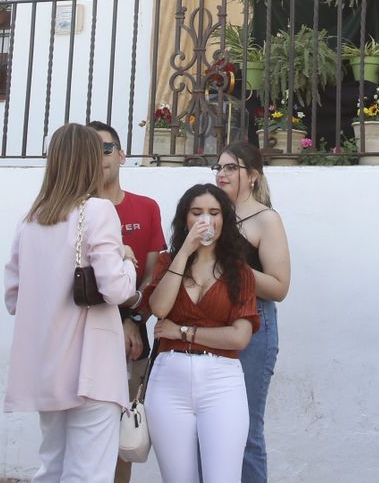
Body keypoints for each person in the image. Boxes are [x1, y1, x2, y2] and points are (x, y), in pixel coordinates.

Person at [5, 123, 138, 483]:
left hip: (46, 365)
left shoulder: (29, 220)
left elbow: (13, 297)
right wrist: (128, 261)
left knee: (52, 466)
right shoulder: (98, 210)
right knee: (90, 471)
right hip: (90, 363)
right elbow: (115, 289)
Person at [143, 184, 259, 483]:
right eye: (197, 213)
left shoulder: (239, 271)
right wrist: (184, 251)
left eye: (214, 213)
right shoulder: (170, 262)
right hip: (169, 380)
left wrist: (183, 331)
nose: (205, 220)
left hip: (221, 381)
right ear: (185, 219)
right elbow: (159, 307)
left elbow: (239, 337)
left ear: (225, 220)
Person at [89, 120, 168, 483]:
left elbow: (154, 276)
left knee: (125, 433)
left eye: (105, 148)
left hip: (132, 337)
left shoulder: (146, 207)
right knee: (84, 436)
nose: (98, 157)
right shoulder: (74, 210)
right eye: (89, 149)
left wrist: (133, 320)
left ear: (121, 155)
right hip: (86, 337)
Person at [214, 141, 291, 483]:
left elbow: (279, 286)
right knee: (212, 428)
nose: (222, 174)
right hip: (211, 326)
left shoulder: (265, 219)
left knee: (245, 431)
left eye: (231, 167)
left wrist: (232, 265)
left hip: (254, 328)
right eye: (218, 167)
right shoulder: (211, 214)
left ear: (254, 177)